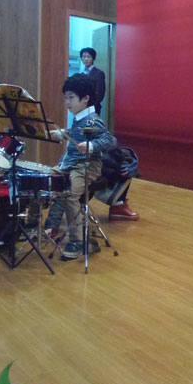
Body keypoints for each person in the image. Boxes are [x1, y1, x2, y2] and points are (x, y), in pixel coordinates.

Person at [49, 73, 117, 258]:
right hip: (71, 164)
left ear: (85, 98)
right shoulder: (78, 117)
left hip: (87, 165)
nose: (67, 103)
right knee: (44, 180)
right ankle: (45, 227)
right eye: (66, 98)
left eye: (71, 98)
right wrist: (61, 134)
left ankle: (78, 242)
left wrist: (91, 145)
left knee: (70, 194)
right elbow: (76, 134)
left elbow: (110, 140)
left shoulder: (93, 119)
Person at [80, 47, 106, 115]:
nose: (86, 59)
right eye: (84, 57)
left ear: (93, 58)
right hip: (81, 108)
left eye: (89, 57)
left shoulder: (99, 73)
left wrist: (89, 105)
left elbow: (100, 94)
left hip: (93, 108)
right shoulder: (80, 74)